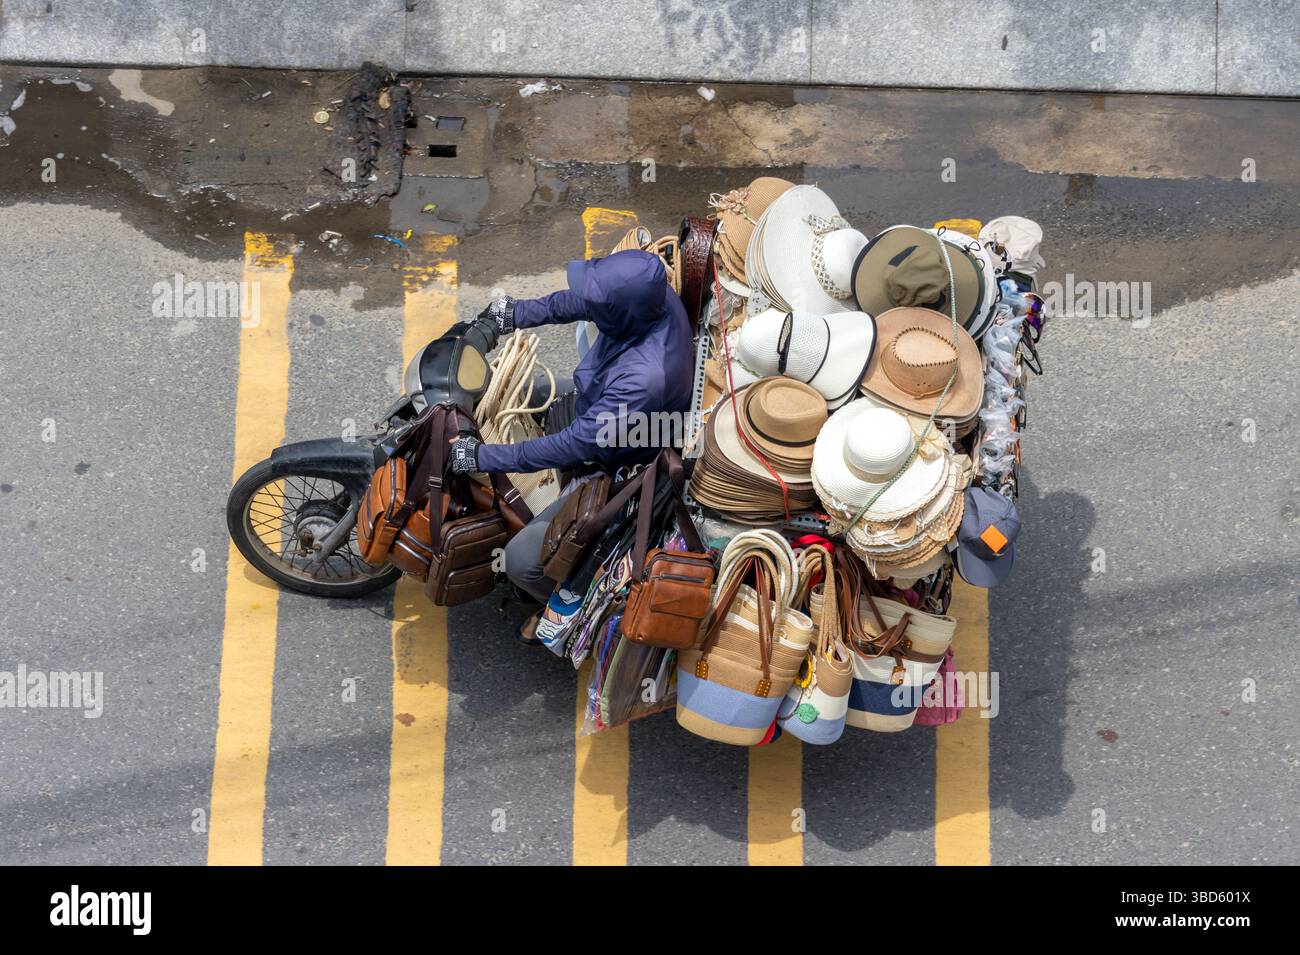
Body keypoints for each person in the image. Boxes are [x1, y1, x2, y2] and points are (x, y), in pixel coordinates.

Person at [450, 249, 694, 606]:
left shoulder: (645, 378)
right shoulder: (650, 295)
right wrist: (513, 314)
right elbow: (579, 302)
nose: (588, 302)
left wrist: (483, 456)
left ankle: (572, 609)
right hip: (603, 402)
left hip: (616, 462)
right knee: (524, 390)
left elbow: (574, 445)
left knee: (520, 562)